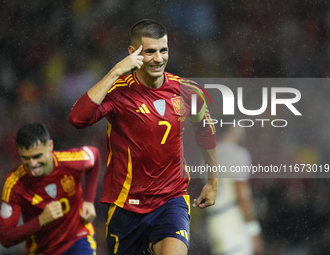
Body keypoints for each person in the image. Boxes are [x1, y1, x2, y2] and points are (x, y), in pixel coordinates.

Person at [69, 19, 218, 255]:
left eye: (163, 50)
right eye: (150, 52)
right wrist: (115, 71)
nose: (158, 59)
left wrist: (213, 181)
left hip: (171, 199)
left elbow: (206, 132)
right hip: (125, 206)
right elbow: (77, 119)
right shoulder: (118, 92)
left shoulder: (188, 91)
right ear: (133, 52)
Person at [0, 122, 102, 255]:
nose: (32, 164)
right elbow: (5, 237)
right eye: (25, 158)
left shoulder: (71, 161)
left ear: (50, 146)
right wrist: (40, 221)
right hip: (42, 250)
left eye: (37, 156)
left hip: (78, 237)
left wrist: (89, 200)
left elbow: (96, 156)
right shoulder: (14, 183)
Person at [204, 123, 264, 255]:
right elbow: (242, 193)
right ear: (233, 128)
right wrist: (253, 230)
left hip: (214, 222)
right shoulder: (237, 153)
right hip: (233, 223)